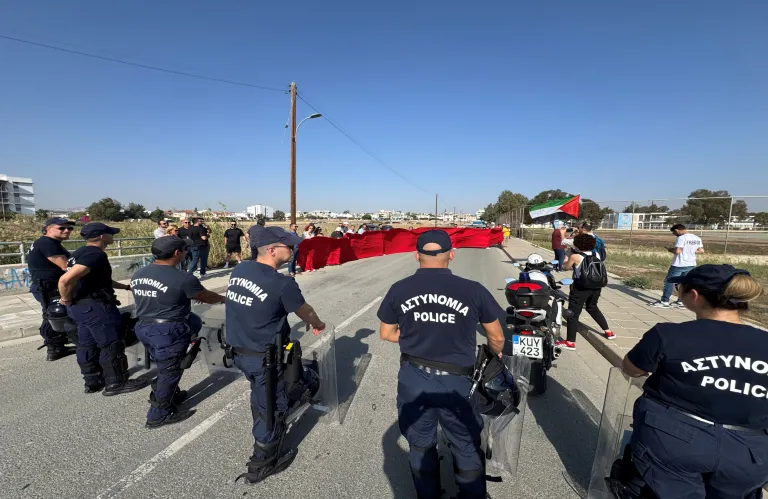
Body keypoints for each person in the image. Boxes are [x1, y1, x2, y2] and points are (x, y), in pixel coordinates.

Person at [377, 229, 506, 498]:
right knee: (465, 445)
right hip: (457, 383)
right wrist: (495, 356)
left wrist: (415, 333)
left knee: (421, 445)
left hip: (414, 379)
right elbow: (496, 336)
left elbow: (387, 333)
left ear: (416, 256)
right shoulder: (473, 290)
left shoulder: (399, 289)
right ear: (451, 254)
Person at [622, 264, 767, 498]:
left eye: (680, 287)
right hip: (750, 453)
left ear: (694, 296)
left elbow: (631, 368)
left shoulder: (667, 334)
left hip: (675, 441)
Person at [226, 227, 326, 483]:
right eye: (289, 247)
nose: (293, 251)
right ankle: (262, 462)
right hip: (264, 358)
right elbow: (306, 310)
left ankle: (278, 405)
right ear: (272, 250)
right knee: (271, 406)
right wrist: (318, 323)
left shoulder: (240, 270)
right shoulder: (281, 283)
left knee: (263, 395)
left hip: (240, 351)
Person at [131, 236, 226, 428]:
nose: (186, 252)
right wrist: (223, 299)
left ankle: (170, 394)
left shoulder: (139, 273)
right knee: (170, 370)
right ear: (177, 253)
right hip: (168, 330)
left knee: (163, 364)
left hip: (144, 326)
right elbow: (205, 296)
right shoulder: (183, 278)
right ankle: (158, 414)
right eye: (184, 249)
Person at [58, 223, 150, 395]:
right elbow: (65, 280)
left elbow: (100, 280)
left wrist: (126, 287)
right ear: (101, 236)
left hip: (81, 308)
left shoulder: (79, 253)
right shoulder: (95, 254)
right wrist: (65, 298)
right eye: (110, 233)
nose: (113, 236)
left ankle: (93, 381)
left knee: (87, 345)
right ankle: (116, 383)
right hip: (96, 308)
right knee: (110, 344)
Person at [27, 218, 77, 360]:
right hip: (48, 287)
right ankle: (54, 348)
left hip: (46, 286)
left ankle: (56, 345)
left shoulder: (47, 242)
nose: (67, 230)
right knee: (53, 316)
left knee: (54, 315)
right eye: (61, 228)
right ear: (49, 229)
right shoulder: (47, 243)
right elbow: (66, 267)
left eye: (69, 228)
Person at [557, 233, 614, 351]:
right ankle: (608, 331)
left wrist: (567, 256)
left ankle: (570, 342)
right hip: (596, 287)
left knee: (573, 314)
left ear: (578, 244)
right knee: (592, 307)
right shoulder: (596, 253)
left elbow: (565, 267)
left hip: (580, 288)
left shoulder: (576, 256)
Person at [651, 224, 704, 309]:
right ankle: (681, 302)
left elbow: (678, 251)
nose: (674, 234)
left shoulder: (681, 238)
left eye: (674, 233)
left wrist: (670, 250)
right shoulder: (696, 238)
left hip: (679, 264)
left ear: (677, 230)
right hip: (691, 263)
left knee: (669, 281)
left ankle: (665, 301)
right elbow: (701, 250)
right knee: (684, 283)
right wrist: (690, 251)